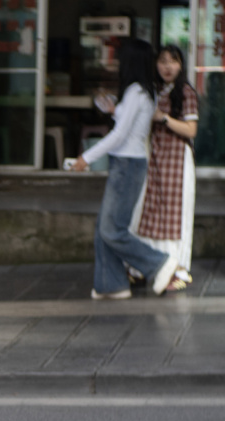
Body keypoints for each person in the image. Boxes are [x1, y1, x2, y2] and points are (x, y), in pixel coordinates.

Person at [72, 38, 178, 299]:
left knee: (111, 229)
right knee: (105, 227)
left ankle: (159, 263)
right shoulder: (145, 91)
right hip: (128, 163)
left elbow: (120, 135)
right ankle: (111, 284)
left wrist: (86, 157)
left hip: (127, 164)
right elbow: (130, 125)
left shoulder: (136, 92)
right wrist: (115, 110)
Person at [134, 45, 199, 292]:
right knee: (151, 211)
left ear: (181, 65)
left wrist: (163, 118)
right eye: (163, 61)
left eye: (173, 61)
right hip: (156, 158)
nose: (167, 66)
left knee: (176, 215)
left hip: (177, 161)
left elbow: (191, 130)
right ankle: (149, 267)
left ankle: (179, 269)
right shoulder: (155, 90)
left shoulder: (185, 92)